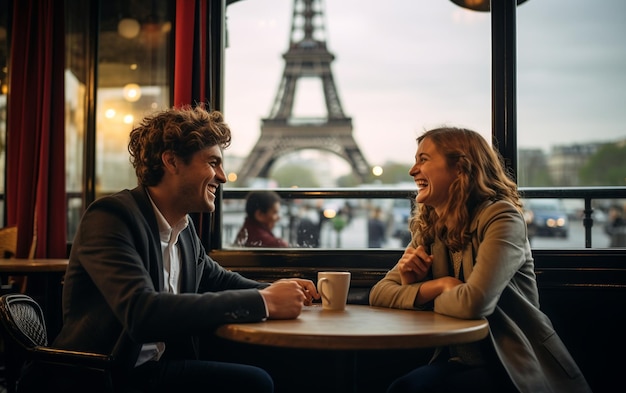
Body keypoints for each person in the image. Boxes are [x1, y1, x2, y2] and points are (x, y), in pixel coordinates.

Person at [47, 106, 319, 393]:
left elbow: (219, 280)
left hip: (152, 368)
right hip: (104, 376)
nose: (223, 177)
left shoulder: (184, 228)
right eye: (213, 163)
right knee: (257, 383)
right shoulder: (111, 217)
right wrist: (265, 302)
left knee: (273, 368)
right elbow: (142, 312)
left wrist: (284, 291)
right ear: (172, 161)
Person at [369, 127, 591, 393]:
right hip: (462, 361)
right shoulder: (431, 226)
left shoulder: (502, 217)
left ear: (461, 167)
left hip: (514, 366)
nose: (412, 170)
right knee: (404, 388)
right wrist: (437, 286)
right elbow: (379, 293)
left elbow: (474, 303)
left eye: (424, 159)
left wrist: (414, 293)